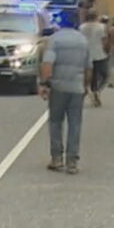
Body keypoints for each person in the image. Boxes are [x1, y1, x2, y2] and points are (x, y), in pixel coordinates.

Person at [40, 21, 92, 175]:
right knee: (75, 123)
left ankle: (57, 158)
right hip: (77, 87)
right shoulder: (83, 41)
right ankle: (72, 161)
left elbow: (48, 63)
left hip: (58, 87)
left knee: (56, 121)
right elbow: (89, 67)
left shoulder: (54, 39)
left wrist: (44, 84)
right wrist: (86, 86)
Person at [79, 10, 109, 107]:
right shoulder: (102, 27)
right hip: (99, 54)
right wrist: (107, 51)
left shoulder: (82, 27)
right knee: (104, 75)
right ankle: (97, 90)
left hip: (86, 55)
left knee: (89, 76)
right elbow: (104, 41)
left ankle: (87, 90)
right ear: (96, 16)